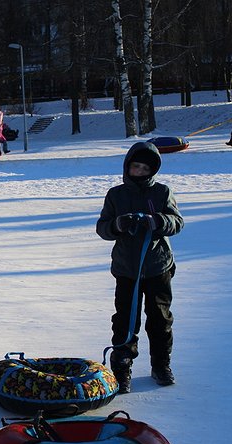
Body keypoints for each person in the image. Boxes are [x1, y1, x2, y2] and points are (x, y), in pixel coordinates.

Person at [96, 142, 184, 394]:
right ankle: (122, 368)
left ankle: (161, 365)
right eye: (136, 167)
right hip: (127, 269)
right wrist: (118, 225)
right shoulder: (116, 195)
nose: (140, 172)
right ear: (128, 166)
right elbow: (102, 228)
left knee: (160, 319)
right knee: (125, 320)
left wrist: (157, 221)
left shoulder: (162, 192)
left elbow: (177, 222)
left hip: (158, 267)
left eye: (145, 168)